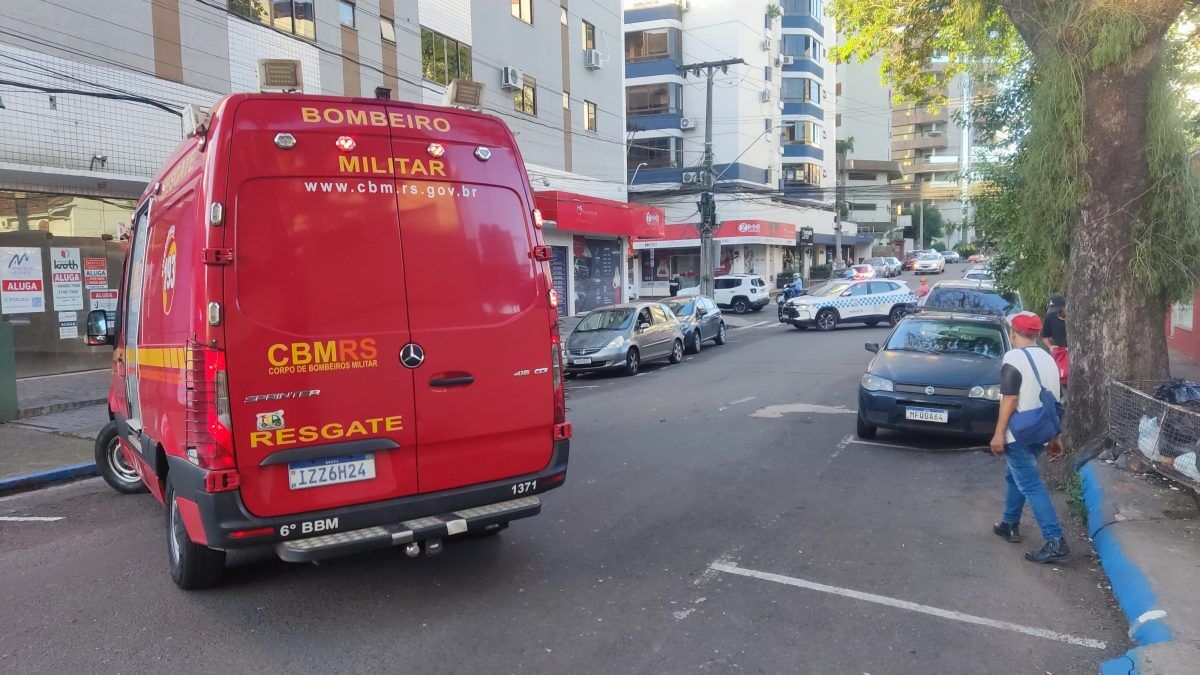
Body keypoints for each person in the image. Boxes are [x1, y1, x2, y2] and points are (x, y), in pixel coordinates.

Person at [991, 312, 1069, 564]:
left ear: (1013, 333)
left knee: (1030, 484)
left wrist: (999, 433)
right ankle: (1009, 523)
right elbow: (1053, 401)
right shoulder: (1047, 358)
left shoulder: (1012, 357)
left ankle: (1055, 539)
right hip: (1041, 431)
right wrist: (1055, 437)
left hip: (1019, 432)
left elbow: (1010, 398)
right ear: (1036, 334)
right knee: (1015, 477)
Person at [1042, 293, 1069, 388]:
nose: (1056, 312)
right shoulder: (1050, 318)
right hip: (1060, 355)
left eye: (1058, 310)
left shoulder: (1073, 317)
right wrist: (1050, 347)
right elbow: (1045, 336)